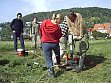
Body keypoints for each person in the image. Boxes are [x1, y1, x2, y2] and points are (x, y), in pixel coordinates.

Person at [39, 13, 63, 78]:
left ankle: (52, 74)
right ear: (58, 19)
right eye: (60, 21)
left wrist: (42, 37)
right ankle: (58, 65)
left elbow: (40, 30)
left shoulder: (45, 22)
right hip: (55, 44)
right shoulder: (57, 27)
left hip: (45, 43)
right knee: (57, 54)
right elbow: (59, 36)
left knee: (49, 60)